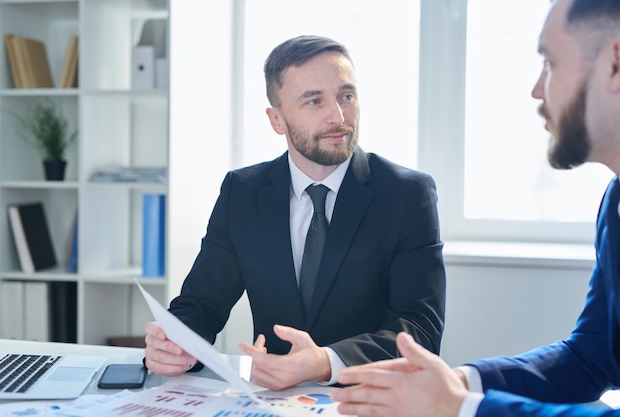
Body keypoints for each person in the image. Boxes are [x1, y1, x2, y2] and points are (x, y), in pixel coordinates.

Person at [330, 0, 620, 416]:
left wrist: (462, 408)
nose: (537, 89)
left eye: (550, 63)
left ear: (614, 63)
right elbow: (594, 355)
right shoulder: (615, 202)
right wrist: (461, 381)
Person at [144, 35, 446, 390]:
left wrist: (323, 362)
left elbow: (420, 331)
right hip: (272, 400)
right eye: (314, 101)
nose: (338, 116)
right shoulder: (242, 192)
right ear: (277, 120)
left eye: (346, 96)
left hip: (370, 398)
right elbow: (201, 304)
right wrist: (176, 343)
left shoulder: (407, 194)